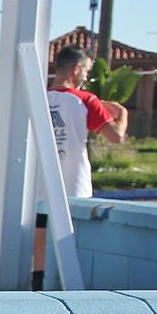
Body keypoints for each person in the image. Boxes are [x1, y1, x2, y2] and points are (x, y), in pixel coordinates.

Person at [36, 46, 126, 288]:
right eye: (86, 70)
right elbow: (116, 136)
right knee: (70, 238)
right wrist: (122, 113)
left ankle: (37, 286)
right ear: (76, 69)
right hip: (75, 182)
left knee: (40, 233)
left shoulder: (39, 97)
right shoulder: (86, 100)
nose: (87, 76)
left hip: (41, 181)